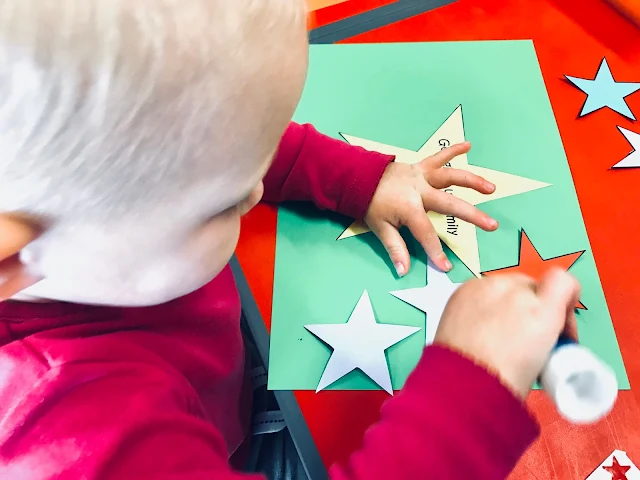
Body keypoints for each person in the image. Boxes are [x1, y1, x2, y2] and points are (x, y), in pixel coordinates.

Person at [0, 0, 580, 478]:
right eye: (225, 202)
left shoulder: (70, 231)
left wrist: (360, 178)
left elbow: (213, 145)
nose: (255, 193)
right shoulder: (72, 438)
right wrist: (471, 399)